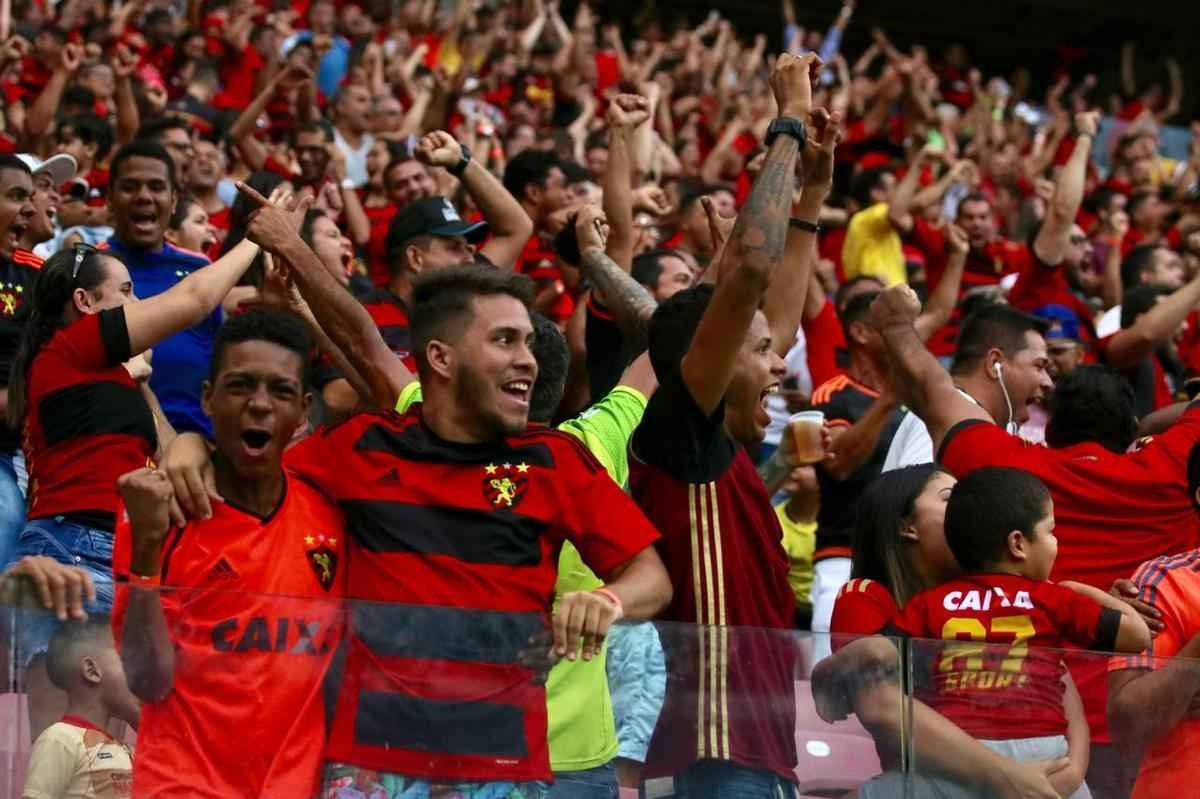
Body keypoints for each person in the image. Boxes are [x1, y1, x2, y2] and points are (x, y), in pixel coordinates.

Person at [164, 185, 673, 794]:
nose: (528, 363)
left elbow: (652, 577)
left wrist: (609, 601)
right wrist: (189, 444)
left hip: (503, 772)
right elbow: (255, 465)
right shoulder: (360, 448)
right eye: (504, 341)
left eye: (529, 344)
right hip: (376, 768)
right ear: (440, 358)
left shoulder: (554, 461)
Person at [869, 283, 1200, 798]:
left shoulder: (1009, 472)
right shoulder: (1175, 465)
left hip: (1018, 734)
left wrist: (896, 328)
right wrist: (1155, 425)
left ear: (1052, 427)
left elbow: (933, 389)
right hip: (1139, 723)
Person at [629, 52, 833, 795]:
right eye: (758, 352)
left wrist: (813, 191)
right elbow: (749, 275)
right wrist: (788, 119)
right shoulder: (680, 430)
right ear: (704, 362)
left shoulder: (732, 456)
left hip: (762, 746)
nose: (779, 366)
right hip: (710, 757)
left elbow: (769, 311)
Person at [5, 186, 277, 740]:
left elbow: (174, 452)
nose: (138, 305)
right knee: (66, 751)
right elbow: (198, 298)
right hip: (72, 556)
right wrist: (257, 238)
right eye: (127, 293)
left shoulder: (104, 376)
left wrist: (144, 387)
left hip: (117, 554)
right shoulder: (70, 348)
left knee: (107, 759)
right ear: (86, 305)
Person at [112, 307, 347, 798]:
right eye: (240, 386)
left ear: (303, 411)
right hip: (182, 787)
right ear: (208, 398)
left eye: (280, 391)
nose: (259, 404)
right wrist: (148, 554)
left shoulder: (330, 513)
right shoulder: (160, 512)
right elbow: (147, 681)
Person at [884, 467, 1149, 799]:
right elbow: (1138, 637)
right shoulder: (1051, 598)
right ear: (1018, 544)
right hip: (1041, 751)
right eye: (1051, 531)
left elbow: (881, 657)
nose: (1056, 542)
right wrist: (1079, 589)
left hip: (961, 754)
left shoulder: (927, 603)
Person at [101, 140, 226, 437]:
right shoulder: (87, 267)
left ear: (172, 201)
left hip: (201, 443)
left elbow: (222, 360)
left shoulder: (199, 269)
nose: (144, 196)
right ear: (109, 199)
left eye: (156, 187)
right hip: (116, 439)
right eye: (130, 187)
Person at [809, 289, 903, 640]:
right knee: (833, 662)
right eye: (892, 328)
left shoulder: (915, 398)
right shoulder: (833, 394)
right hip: (843, 554)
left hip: (902, 558)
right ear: (861, 333)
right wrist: (890, 399)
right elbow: (838, 465)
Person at [882, 304, 1052, 471]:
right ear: (995, 363)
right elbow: (917, 495)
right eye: (1039, 366)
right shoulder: (944, 416)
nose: (1048, 382)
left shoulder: (968, 417)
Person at [23, 619, 138, 799]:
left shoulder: (126, 750)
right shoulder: (59, 740)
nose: (137, 672)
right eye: (126, 659)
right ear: (92, 671)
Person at [0, 157, 38, 574]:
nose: (29, 208)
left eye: (31, 197)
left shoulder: (36, 278)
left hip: (17, 456)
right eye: (16, 196)